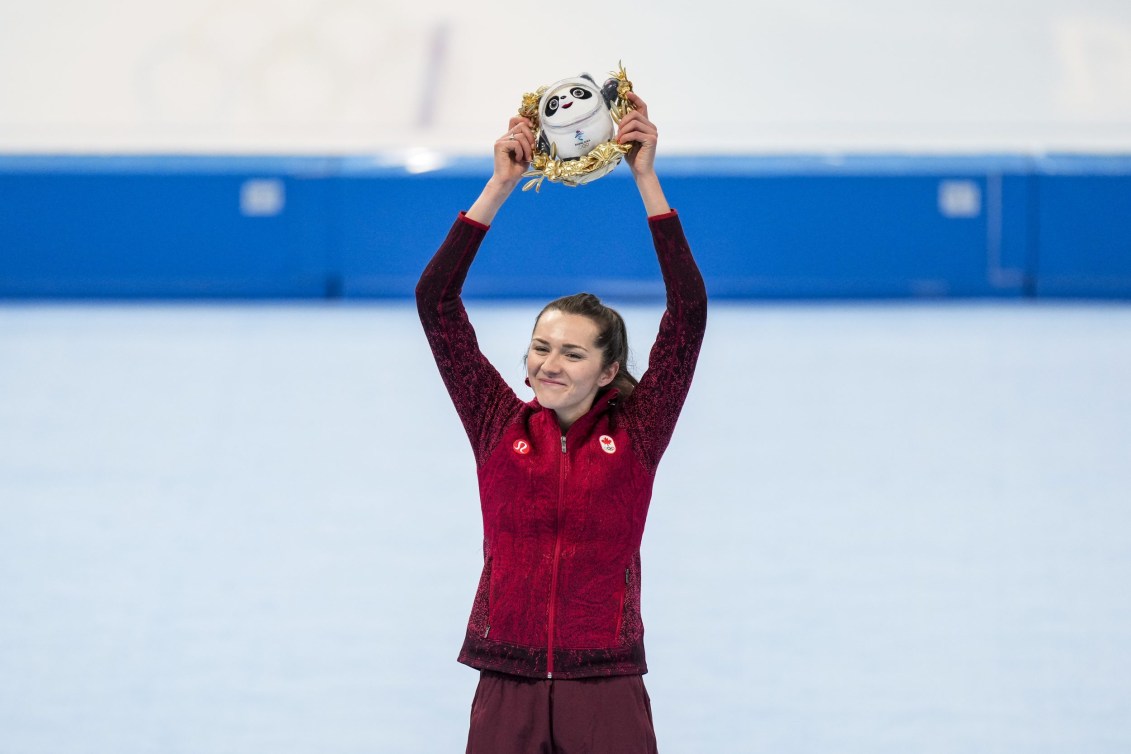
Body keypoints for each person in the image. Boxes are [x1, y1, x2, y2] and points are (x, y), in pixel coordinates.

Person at [416, 91, 707, 754]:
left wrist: (645, 178)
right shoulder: (496, 423)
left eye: (572, 353)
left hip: (604, 685)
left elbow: (686, 316)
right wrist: (499, 186)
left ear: (607, 371)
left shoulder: (638, 432)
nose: (550, 364)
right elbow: (436, 303)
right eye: (542, 347)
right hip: (505, 681)